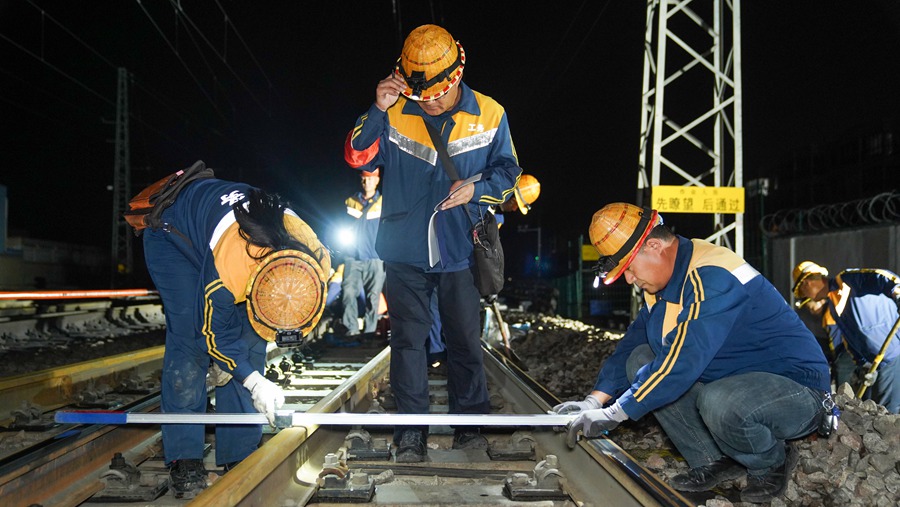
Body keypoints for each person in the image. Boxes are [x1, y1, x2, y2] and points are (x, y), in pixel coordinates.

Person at [553, 203, 831, 504]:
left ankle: (769, 461)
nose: (630, 280)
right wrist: (594, 400)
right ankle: (714, 461)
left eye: (629, 268)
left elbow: (683, 361)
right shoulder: (659, 289)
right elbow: (631, 347)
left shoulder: (711, 275)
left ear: (655, 246)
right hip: (732, 381)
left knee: (718, 400)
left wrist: (614, 414)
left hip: (795, 389)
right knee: (641, 359)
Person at [343, 24, 522, 462]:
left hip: (460, 247)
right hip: (405, 249)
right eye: (423, 95)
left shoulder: (491, 114)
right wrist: (378, 108)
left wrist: (478, 191)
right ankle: (410, 434)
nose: (432, 102)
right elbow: (357, 155)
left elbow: (508, 172)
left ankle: (469, 428)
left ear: (457, 76)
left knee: (464, 340)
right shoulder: (396, 111)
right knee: (408, 343)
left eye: (438, 94)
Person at [140, 168, 330, 497]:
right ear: (256, 285)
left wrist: (244, 366)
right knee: (191, 342)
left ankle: (237, 454)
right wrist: (253, 380)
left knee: (250, 343)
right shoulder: (232, 266)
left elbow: (273, 318)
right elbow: (214, 334)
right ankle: (184, 458)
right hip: (172, 235)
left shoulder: (316, 259)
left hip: (221, 234)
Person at [426, 173, 541, 364]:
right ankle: (439, 351)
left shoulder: (489, 206)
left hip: (451, 254)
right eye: (515, 205)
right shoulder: (491, 212)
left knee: (442, 305)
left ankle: (439, 350)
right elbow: (488, 251)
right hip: (456, 259)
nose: (514, 209)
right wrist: (490, 282)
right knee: (446, 306)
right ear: (511, 196)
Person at [792, 261, 900, 413]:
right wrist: (862, 364)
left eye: (802, 292)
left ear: (807, 283)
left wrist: (898, 292)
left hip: (892, 354)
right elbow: (850, 339)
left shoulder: (846, 280)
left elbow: (881, 277)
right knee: (875, 411)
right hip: (877, 362)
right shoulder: (834, 307)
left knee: (889, 411)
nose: (805, 297)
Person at [339, 167, 386, 335]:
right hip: (353, 256)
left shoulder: (384, 202)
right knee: (348, 292)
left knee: (373, 297)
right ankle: (351, 329)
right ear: (361, 180)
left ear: (377, 180)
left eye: (371, 178)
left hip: (375, 256)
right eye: (365, 178)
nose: (367, 182)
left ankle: (370, 332)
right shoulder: (350, 202)